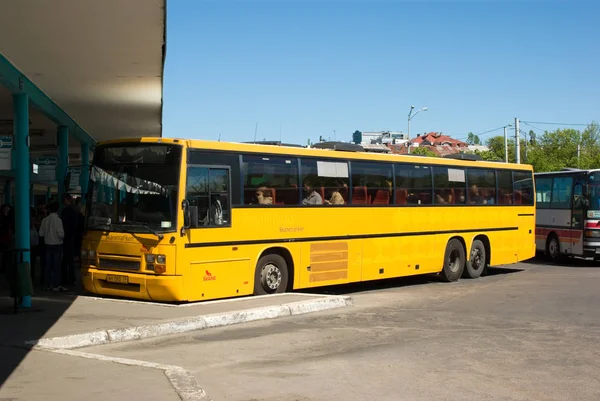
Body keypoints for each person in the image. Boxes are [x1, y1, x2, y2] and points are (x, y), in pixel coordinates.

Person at [39, 202, 65, 292]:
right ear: (57, 210)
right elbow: (61, 234)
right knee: (56, 266)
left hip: (47, 245)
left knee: (48, 266)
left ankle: (47, 285)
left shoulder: (44, 220)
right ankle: (55, 285)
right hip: (57, 245)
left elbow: (41, 234)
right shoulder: (58, 220)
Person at [61, 194, 79, 286]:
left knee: (64, 260)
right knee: (70, 260)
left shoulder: (65, 211)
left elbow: (64, 225)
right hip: (72, 238)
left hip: (66, 238)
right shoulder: (75, 211)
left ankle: (65, 279)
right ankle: (72, 279)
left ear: (67, 200)